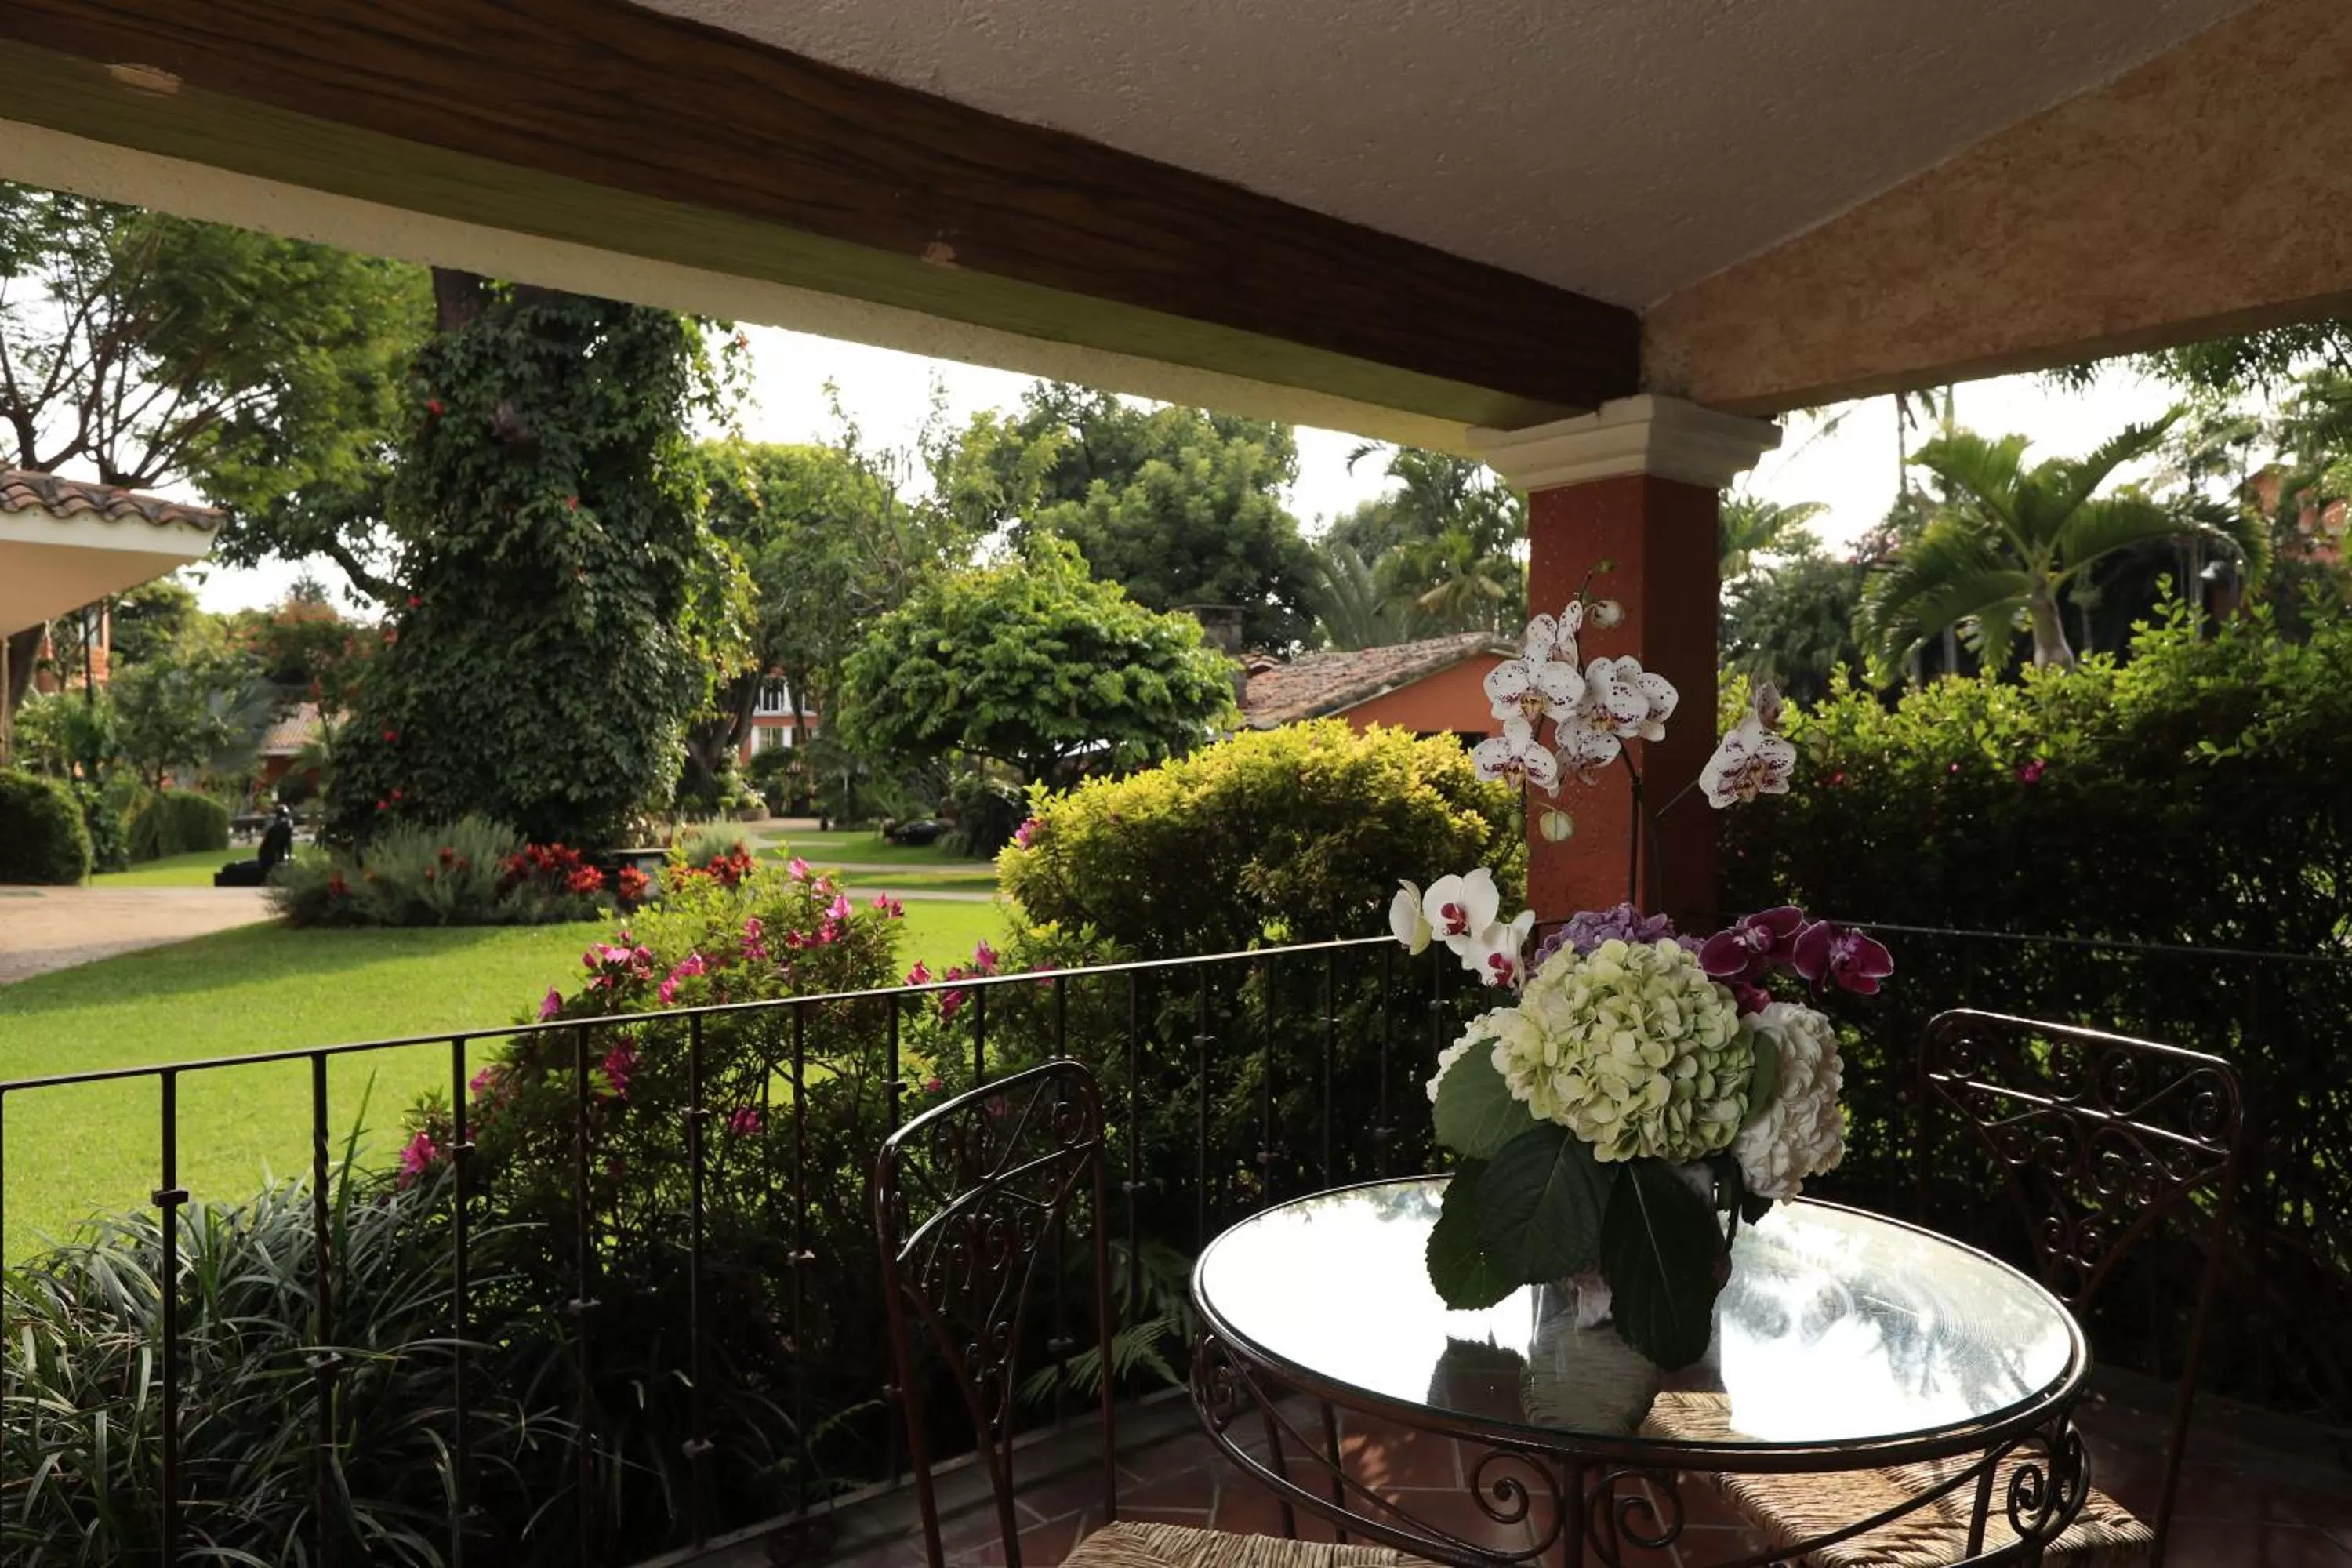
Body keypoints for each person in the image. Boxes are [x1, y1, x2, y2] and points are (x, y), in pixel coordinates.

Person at [215, 804, 297, 887]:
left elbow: (287, 844)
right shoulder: (279, 828)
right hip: (268, 857)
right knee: (242, 867)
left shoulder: (283, 826)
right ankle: (269, 879)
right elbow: (274, 846)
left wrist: (287, 857)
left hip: (269, 856)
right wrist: (281, 859)